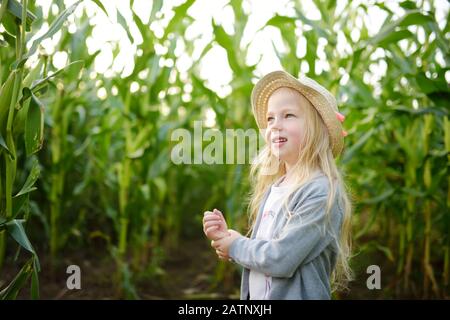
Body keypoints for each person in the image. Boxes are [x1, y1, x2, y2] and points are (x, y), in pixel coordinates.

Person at [202, 70, 353, 300]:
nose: (274, 125)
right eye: (270, 118)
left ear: (317, 128)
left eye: (288, 115)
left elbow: (281, 258)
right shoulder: (277, 186)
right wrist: (227, 238)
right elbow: (264, 250)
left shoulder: (321, 192)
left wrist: (236, 245)